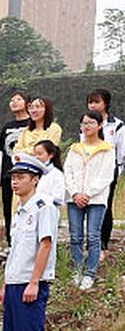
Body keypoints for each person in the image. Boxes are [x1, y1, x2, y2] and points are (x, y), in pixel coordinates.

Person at [3, 158, 56, 331]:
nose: (15, 181)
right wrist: (5, 284)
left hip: (30, 282)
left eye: (21, 177)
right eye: (14, 177)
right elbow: (16, 251)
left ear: (35, 179)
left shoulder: (43, 206)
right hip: (15, 282)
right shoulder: (20, 209)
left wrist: (34, 281)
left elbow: (45, 244)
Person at [67, 110, 116, 290]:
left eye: (90, 123)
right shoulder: (74, 149)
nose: (86, 126)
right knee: (75, 236)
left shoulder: (107, 150)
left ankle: (90, 274)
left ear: (99, 125)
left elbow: (105, 177)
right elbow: (68, 173)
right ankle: (78, 270)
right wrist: (75, 193)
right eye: (84, 123)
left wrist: (87, 193)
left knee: (94, 237)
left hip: (96, 199)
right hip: (74, 199)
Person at [90, 89, 123, 247]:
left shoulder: (117, 126)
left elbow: (121, 153)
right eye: (90, 102)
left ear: (106, 104)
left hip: (109, 171)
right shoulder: (85, 124)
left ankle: (103, 240)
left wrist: (116, 171)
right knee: (90, 203)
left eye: (97, 102)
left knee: (105, 204)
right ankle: (91, 239)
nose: (93, 105)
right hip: (90, 170)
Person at [0, 91, 31, 238]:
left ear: (27, 104)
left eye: (19, 99)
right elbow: (1, 152)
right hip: (8, 172)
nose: (14, 102)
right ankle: (10, 238)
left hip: (27, 172)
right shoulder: (7, 126)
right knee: (8, 207)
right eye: (12, 100)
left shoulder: (32, 124)